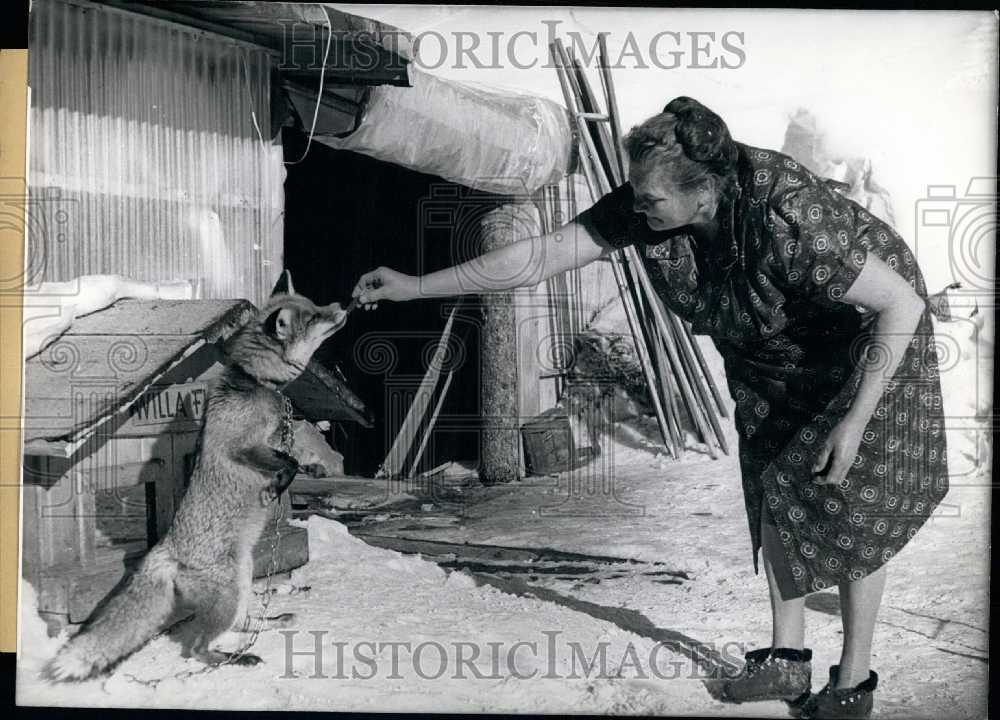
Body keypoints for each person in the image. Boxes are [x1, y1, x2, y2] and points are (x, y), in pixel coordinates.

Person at [351, 96, 948, 719]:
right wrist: (415, 285)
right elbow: (540, 255)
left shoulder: (787, 214)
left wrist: (853, 421)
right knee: (773, 482)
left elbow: (899, 305)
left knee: (849, 503)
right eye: (635, 195)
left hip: (872, 337)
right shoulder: (653, 203)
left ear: (705, 191)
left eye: (650, 200)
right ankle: (785, 662)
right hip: (774, 347)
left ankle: (852, 687)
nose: (635, 208)